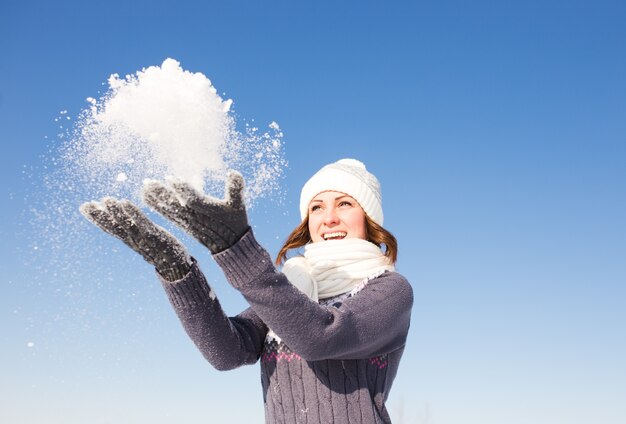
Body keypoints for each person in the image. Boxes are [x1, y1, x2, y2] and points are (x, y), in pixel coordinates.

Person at [80, 158, 413, 424]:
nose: (328, 218)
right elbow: (225, 351)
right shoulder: (295, 289)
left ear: (369, 219)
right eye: (316, 207)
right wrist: (176, 269)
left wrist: (237, 249)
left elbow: (318, 337)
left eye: (344, 204)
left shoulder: (388, 291)